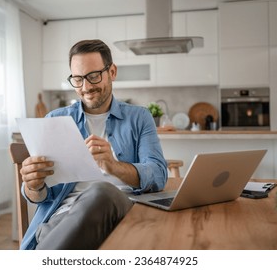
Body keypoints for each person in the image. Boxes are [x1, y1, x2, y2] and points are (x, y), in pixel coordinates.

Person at [19, 39, 168, 250]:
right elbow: (41, 197)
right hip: (63, 220)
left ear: (112, 72)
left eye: (93, 76)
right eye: (78, 79)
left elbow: (159, 176)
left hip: (121, 212)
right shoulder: (55, 119)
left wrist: (113, 165)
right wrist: (33, 185)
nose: (86, 87)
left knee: (101, 192)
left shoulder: (139, 117)